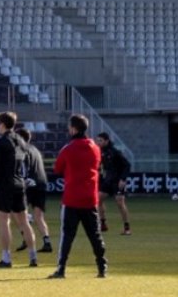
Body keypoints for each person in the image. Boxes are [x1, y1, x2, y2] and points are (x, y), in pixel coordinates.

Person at [49, 115, 107, 279]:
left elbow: (57, 168)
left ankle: (61, 269)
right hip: (90, 198)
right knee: (95, 235)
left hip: (72, 198)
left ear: (74, 129)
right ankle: (102, 267)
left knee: (67, 236)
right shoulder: (95, 148)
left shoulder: (68, 149)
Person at [0, 112, 36, 269]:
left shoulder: (0, 142)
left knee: (4, 222)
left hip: (5, 185)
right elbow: (26, 160)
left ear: (3, 124)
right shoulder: (20, 140)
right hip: (19, 184)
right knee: (24, 222)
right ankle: (33, 257)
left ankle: (6, 258)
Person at [16, 128, 52, 254]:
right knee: (39, 216)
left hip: (29, 184)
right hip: (41, 184)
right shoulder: (35, 149)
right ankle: (47, 242)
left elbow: (23, 168)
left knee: (16, 212)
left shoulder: (21, 150)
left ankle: (27, 238)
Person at [96, 133, 132, 236]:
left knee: (120, 202)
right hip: (108, 180)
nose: (98, 142)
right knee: (98, 199)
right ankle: (103, 223)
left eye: (100, 140)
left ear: (106, 141)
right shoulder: (100, 151)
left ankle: (127, 228)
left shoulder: (115, 152)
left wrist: (123, 179)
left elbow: (127, 165)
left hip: (118, 181)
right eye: (98, 140)